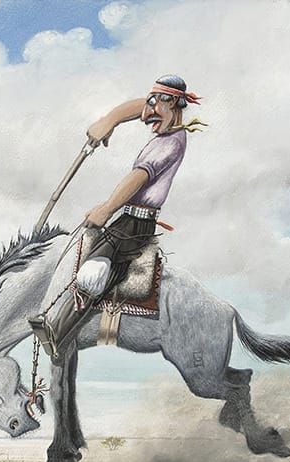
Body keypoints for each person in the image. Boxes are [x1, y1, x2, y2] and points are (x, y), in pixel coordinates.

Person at [29, 74, 202, 363]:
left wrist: (107, 209)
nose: (147, 115)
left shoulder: (170, 143)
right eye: (149, 103)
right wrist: (110, 121)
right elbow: (139, 107)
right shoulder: (164, 123)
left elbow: (138, 178)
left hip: (137, 225)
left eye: (156, 105)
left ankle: (58, 334)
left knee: (93, 271)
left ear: (173, 104)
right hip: (127, 218)